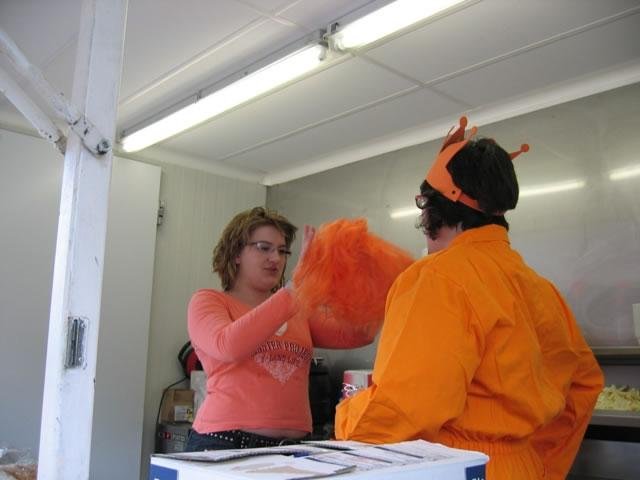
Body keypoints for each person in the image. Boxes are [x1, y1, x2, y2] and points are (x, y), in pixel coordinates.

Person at [334, 117, 604, 479]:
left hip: (458, 468)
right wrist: (540, 464)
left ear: (433, 208)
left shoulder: (437, 278)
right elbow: (584, 385)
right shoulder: (542, 289)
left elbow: (403, 409)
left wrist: (348, 418)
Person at [185, 206, 376, 451]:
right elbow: (228, 346)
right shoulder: (209, 301)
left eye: (283, 251)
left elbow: (361, 333)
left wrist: (358, 276)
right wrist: (296, 289)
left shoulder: (296, 308)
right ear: (236, 253)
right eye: (264, 248)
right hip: (225, 443)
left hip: (292, 448)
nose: (276, 258)